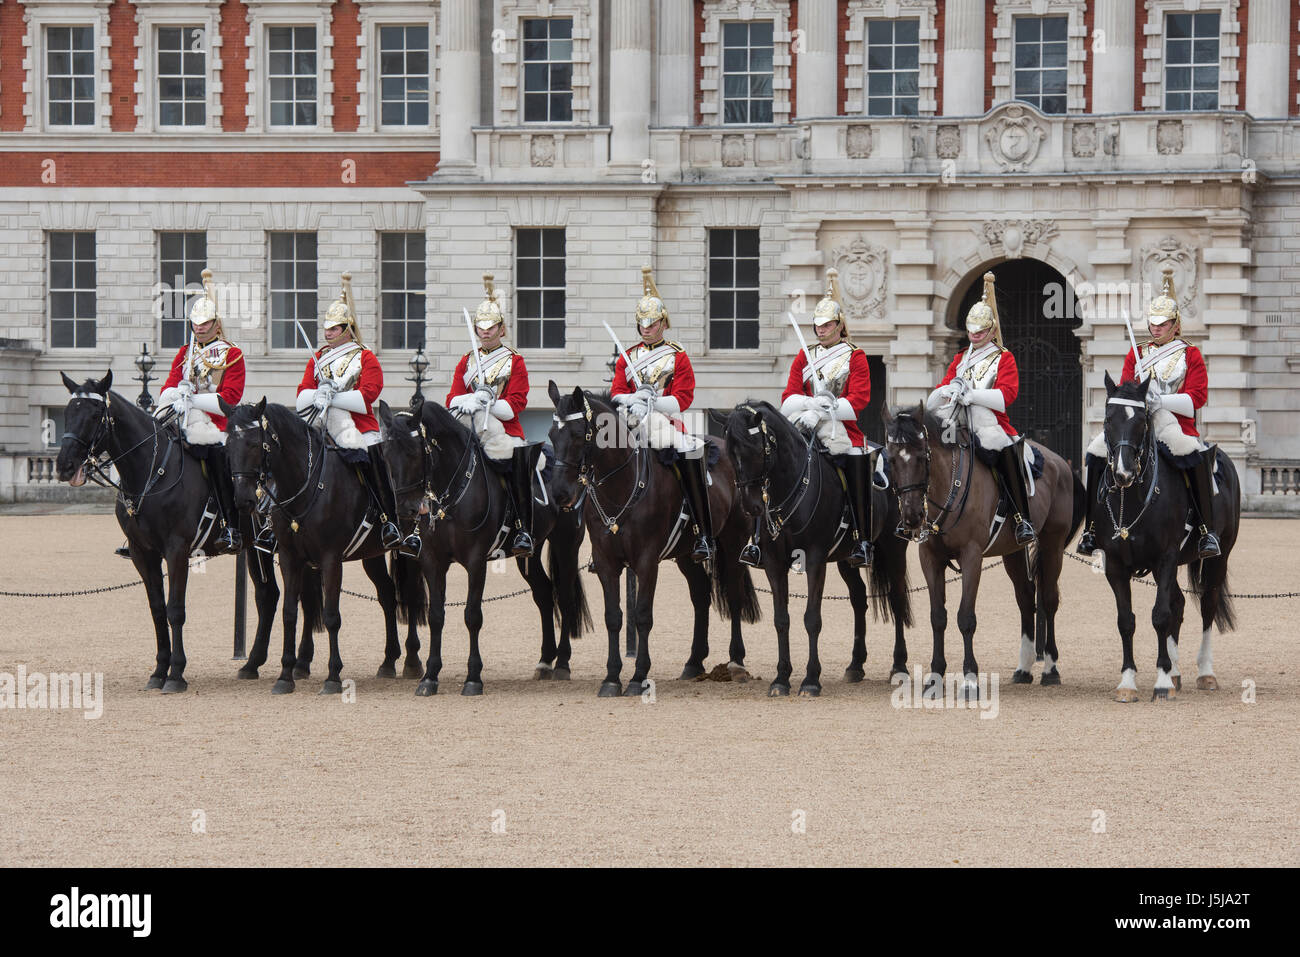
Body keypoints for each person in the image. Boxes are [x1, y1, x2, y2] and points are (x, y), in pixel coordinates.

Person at [1078, 267, 1220, 558]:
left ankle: (1206, 532)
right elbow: (1126, 388)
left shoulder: (1189, 354)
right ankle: (1091, 528)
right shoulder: (1137, 352)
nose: (1156, 328)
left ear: (1175, 324)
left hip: (1173, 423)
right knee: (1096, 452)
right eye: (1153, 323)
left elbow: (1197, 398)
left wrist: (1163, 401)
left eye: (1162, 323)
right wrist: (1138, 398)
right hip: (1140, 419)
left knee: (1192, 454)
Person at [610, 266, 715, 563]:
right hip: (630, 419)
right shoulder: (627, 356)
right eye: (642, 323)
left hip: (666, 421)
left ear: (663, 323)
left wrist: (654, 401)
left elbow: (683, 398)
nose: (646, 328)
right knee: (599, 452)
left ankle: (703, 532)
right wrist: (634, 397)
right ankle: (603, 535)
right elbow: (616, 391)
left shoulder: (676, 355)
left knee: (690, 452)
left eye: (652, 323)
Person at [294, 272, 403, 552]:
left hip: (359, 425)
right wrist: (318, 394)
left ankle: (388, 520)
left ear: (348, 328)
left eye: (334, 328)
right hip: (320, 423)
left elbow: (368, 395)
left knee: (377, 461)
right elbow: (302, 394)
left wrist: (336, 396)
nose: (328, 333)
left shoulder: (365, 357)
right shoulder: (317, 358)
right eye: (327, 328)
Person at [927, 271, 1036, 546]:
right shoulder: (960, 359)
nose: (975, 336)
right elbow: (940, 391)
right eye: (971, 331)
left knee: (1004, 448)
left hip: (988, 421)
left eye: (981, 331)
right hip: (957, 419)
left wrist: (972, 394)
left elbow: (1006, 396)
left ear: (992, 330)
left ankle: (1022, 519)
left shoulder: (1003, 358)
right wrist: (945, 390)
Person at [779, 268, 875, 567]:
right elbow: (788, 398)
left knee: (856, 462)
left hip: (839, 428)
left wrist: (824, 408)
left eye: (827, 324)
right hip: (804, 423)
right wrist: (810, 406)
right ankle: (762, 535)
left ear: (839, 325)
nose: (821, 330)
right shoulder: (803, 355)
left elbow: (857, 403)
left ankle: (862, 537)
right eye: (818, 325)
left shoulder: (855, 356)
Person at [447, 273, 541, 558]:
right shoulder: (466, 361)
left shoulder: (514, 361)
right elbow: (452, 398)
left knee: (517, 463)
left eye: (491, 328)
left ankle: (523, 527)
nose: (485, 332)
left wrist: (490, 400)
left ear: (502, 329)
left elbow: (516, 404)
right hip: (468, 425)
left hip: (505, 429)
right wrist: (471, 399)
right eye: (481, 328)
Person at [153, 268, 245, 554]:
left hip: (214, 424)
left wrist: (194, 399)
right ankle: (144, 523)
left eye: (205, 323)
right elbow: (167, 386)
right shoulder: (184, 353)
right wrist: (175, 394)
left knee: (218, 459)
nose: (199, 328)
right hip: (181, 418)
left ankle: (231, 526)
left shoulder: (232, 354)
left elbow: (230, 398)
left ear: (217, 324)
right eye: (195, 323)